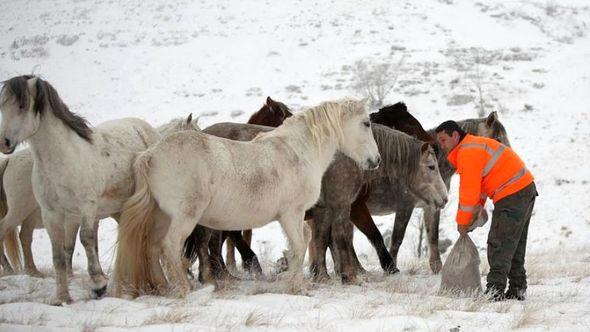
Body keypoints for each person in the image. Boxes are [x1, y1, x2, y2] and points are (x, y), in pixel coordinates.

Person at [435, 120, 537, 301]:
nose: (441, 145)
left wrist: (462, 223)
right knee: (514, 244)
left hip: (512, 193)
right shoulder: (473, 146)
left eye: (443, 140)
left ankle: (495, 291)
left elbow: (469, 191)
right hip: (524, 189)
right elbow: (480, 188)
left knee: (499, 242)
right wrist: (476, 212)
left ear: (455, 136)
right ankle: (517, 288)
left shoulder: (467, 152)